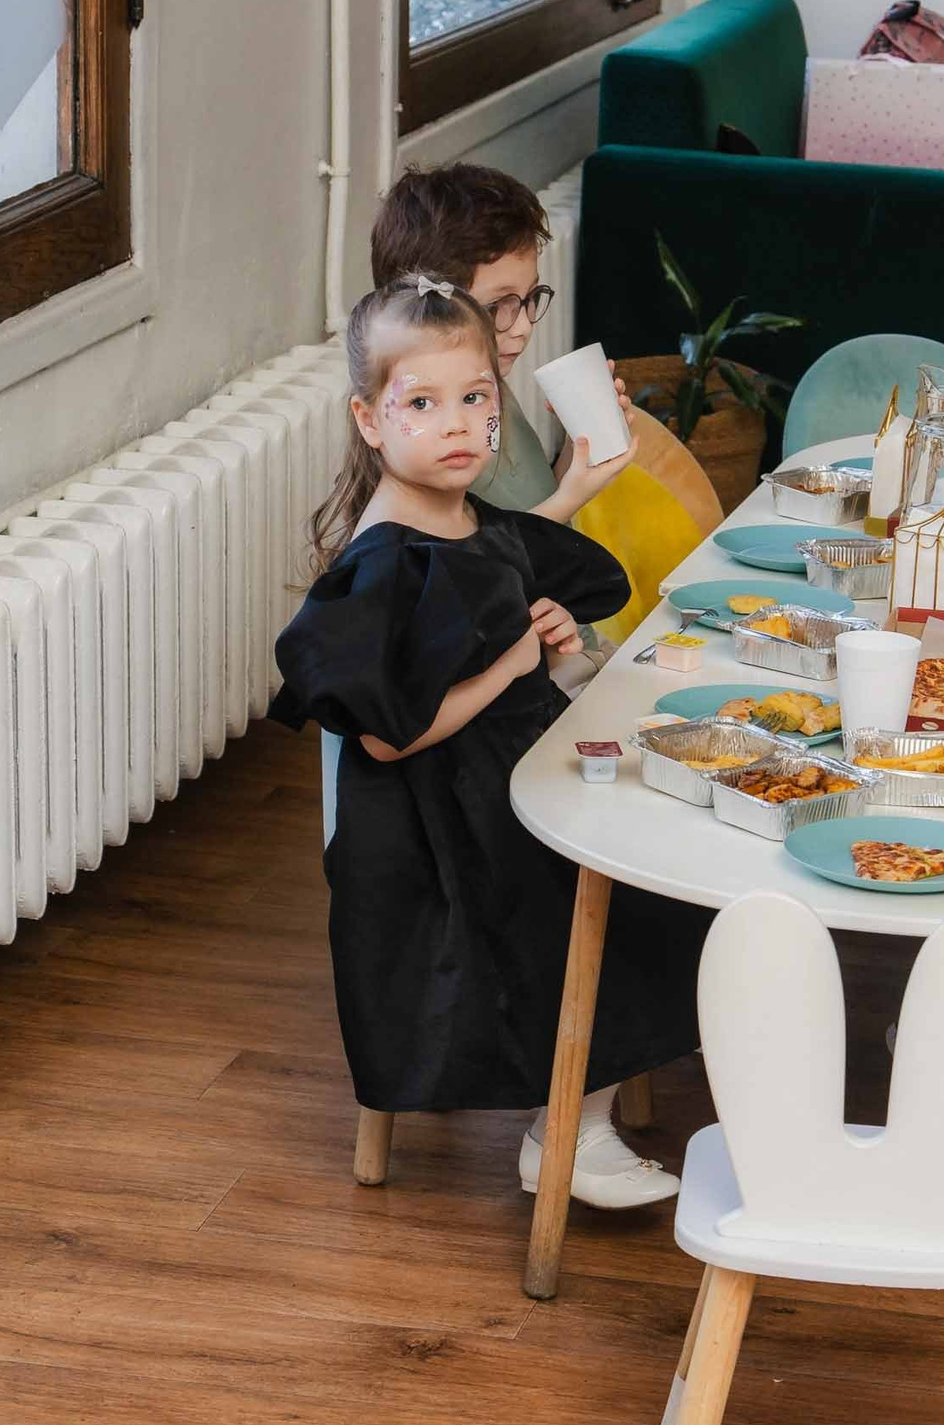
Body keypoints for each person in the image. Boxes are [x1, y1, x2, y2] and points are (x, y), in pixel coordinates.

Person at [268, 275, 700, 1209]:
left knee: (661, 853)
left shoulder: (467, 519)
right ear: (371, 420)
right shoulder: (381, 561)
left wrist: (547, 640)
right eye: (421, 403)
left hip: (499, 781)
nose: (456, 422)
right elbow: (390, 738)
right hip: (433, 834)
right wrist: (510, 668)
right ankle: (566, 1135)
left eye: (473, 398)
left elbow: (514, 576)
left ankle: (583, 1108)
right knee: (603, 888)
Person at [369, 163, 631, 523]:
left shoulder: (486, 391)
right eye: (499, 306)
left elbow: (528, 509)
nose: (523, 326)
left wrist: (577, 450)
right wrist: (571, 498)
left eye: (530, 297)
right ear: (430, 311)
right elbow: (485, 566)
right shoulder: (432, 432)